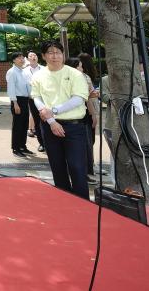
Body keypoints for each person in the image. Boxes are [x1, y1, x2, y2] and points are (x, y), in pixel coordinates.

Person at [31, 41, 90, 199]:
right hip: (50, 127)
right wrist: (51, 121)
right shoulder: (38, 76)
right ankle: (65, 202)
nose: (54, 55)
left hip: (74, 127)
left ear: (63, 54)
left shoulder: (75, 74)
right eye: (50, 52)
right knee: (57, 168)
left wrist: (54, 111)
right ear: (43, 56)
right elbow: (36, 97)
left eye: (58, 52)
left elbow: (79, 98)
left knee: (77, 167)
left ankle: (82, 205)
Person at [5, 52, 32, 157]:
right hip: (17, 100)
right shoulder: (12, 72)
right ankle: (16, 148)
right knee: (17, 125)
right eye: (19, 58)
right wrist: (15, 103)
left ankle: (22, 146)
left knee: (24, 124)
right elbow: (11, 88)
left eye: (22, 57)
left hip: (25, 100)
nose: (22, 59)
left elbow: (27, 86)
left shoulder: (23, 71)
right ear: (14, 60)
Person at [23, 51, 45, 152]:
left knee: (47, 120)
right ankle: (42, 143)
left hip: (45, 99)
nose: (33, 57)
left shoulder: (44, 69)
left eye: (35, 55)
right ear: (28, 59)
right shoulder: (24, 71)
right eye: (31, 56)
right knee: (37, 121)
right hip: (32, 99)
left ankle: (48, 142)